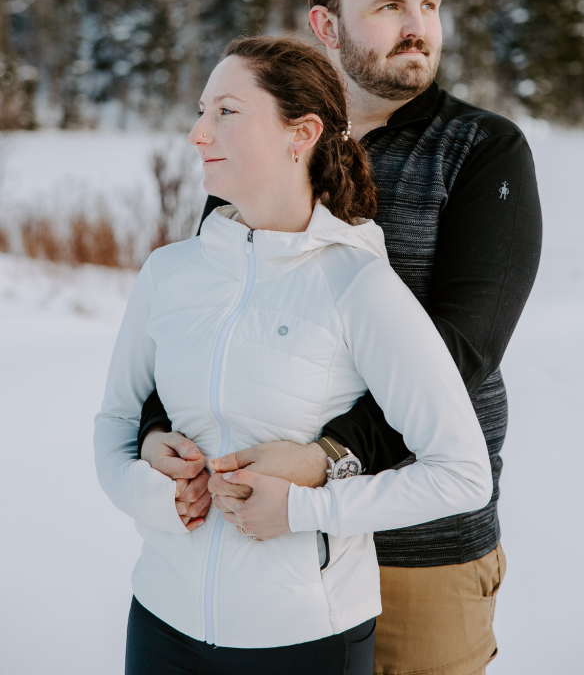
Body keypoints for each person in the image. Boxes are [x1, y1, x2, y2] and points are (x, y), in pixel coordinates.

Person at [139, 0, 543, 675]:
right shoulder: (262, 148)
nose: (418, 26)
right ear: (326, 24)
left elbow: (464, 351)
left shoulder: (481, 151)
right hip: (270, 546)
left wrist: (328, 459)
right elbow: (203, 319)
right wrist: (161, 431)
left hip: (418, 552)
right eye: (390, 6)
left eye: (429, 4)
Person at [94, 35, 493, 675]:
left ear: (300, 133)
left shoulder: (357, 284)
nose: (198, 133)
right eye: (201, 111)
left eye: (226, 112)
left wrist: (303, 510)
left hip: (306, 636)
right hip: (162, 619)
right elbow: (115, 421)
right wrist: (149, 490)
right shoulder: (169, 272)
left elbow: (462, 474)